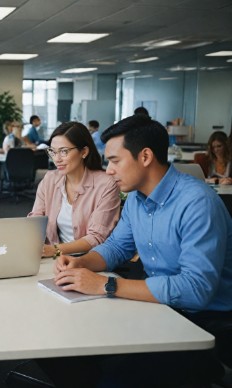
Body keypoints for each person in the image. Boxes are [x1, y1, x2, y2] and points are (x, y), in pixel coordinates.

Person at [42, 114, 232, 387]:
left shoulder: (197, 203)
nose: (108, 170)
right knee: (64, 347)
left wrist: (106, 286)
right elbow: (118, 246)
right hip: (158, 307)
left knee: (110, 375)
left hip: (202, 320)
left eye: (115, 161)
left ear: (145, 157)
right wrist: (82, 263)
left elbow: (196, 290)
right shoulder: (136, 200)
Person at [29, 122, 120, 257]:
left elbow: (96, 237)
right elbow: (36, 220)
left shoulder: (105, 184)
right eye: (52, 152)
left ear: (83, 152)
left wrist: (54, 250)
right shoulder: (50, 179)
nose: (57, 159)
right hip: (54, 259)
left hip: (90, 260)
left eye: (64, 151)